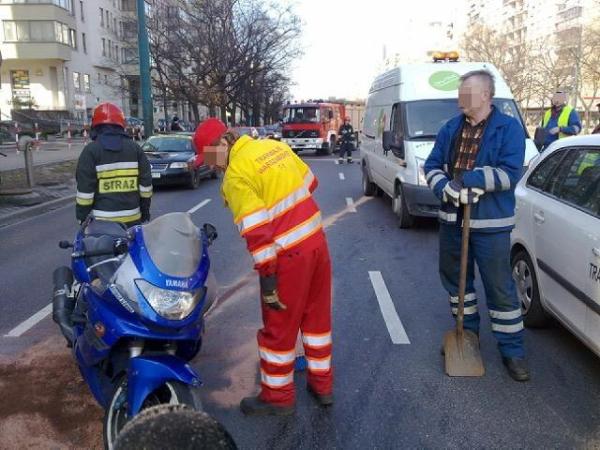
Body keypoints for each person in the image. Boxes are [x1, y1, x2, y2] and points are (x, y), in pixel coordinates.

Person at [193, 118, 333, 415]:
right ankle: (322, 386)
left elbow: (257, 232)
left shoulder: (236, 175)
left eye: (208, 157)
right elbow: (311, 183)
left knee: (278, 329)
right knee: (316, 319)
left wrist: (268, 278)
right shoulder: (272, 146)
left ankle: (278, 397)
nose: (210, 165)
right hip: (317, 244)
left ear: (222, 144)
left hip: (288, 257)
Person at [424, 70, 529, 382]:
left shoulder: (508, 128)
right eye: (460, 92)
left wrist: (471, 180)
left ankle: (513, 352)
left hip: (491, 225)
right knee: (458, 286)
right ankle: (467, 337)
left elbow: (510, 172)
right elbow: (431, 166)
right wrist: (447, 188)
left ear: (486, 95)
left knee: (500, 289)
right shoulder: (450, 128)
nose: (461, 98)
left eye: (467, 91)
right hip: (452, 221)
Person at [75, 102, 152, 226]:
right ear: (121, 124)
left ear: (95, 126)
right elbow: (146, 186)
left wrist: (82, 217)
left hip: (102, 223)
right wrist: (145, 210)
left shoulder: (90, 151)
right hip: (133, 219)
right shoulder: (135, 149)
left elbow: (85, 192)